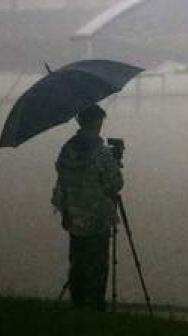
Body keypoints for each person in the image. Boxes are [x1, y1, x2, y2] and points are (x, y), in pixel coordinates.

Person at [51, 104, 123, 310]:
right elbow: (115, 184)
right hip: (97, 217)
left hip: (73, 216)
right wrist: (115, 162)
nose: (101, 126)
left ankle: (78, 302)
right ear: (95, 122)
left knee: (78, 261)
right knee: (98, 264)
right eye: (100, 121)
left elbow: (62, 177)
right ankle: (97, 304)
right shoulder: (100, 152)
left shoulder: (67, 149)